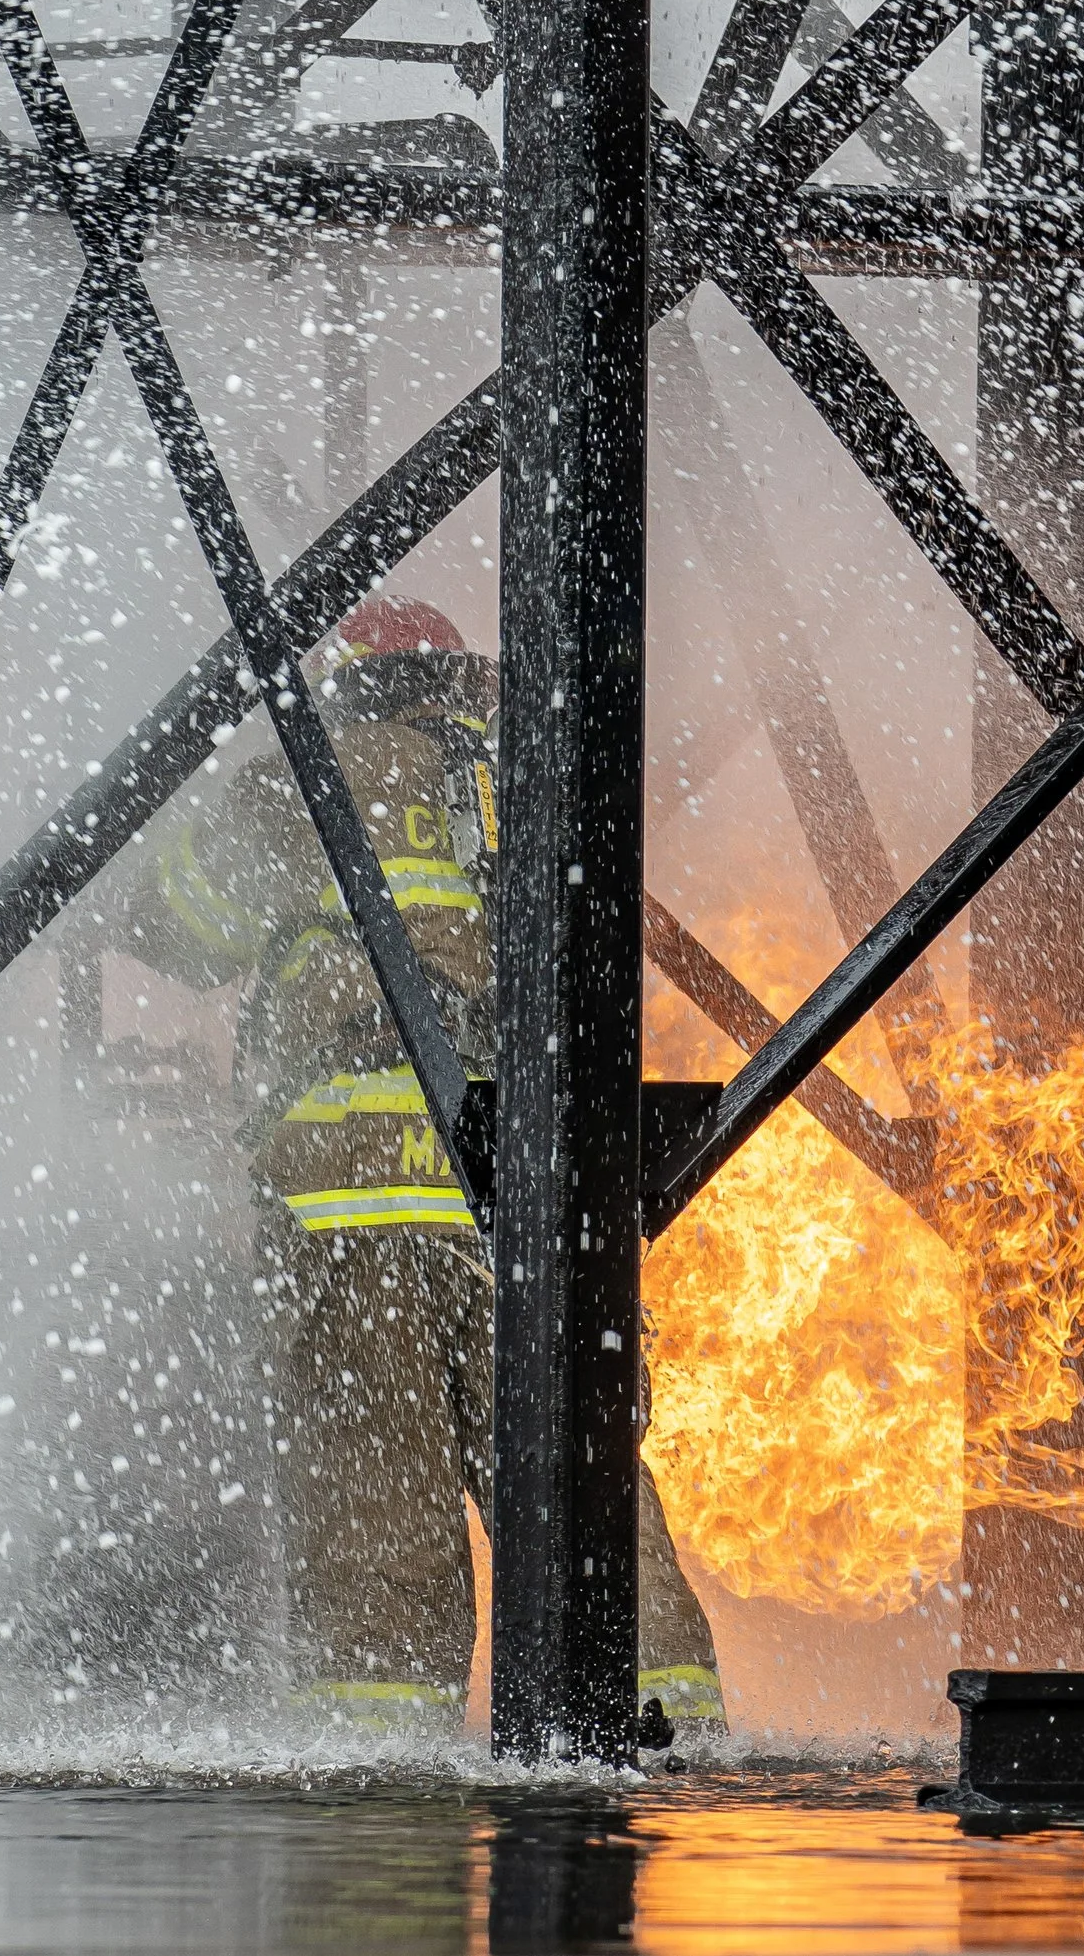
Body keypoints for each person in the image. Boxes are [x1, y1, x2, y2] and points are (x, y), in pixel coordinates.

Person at [112, 593, 720, 1729]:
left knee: (373, 1516)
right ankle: (668, 1731)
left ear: (339, 688)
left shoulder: (315, 782)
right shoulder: (539, 790)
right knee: (587, 1503)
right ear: (460, 680)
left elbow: (168, 924)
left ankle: (380, 1791)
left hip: (359, 1223)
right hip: (528, 1216)